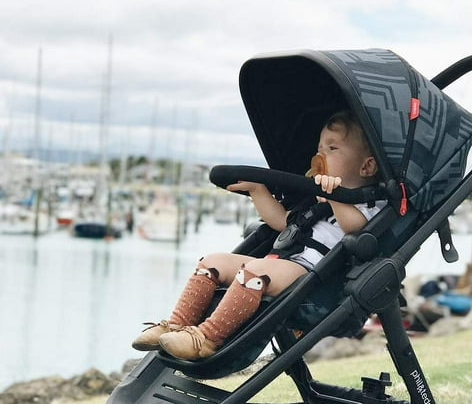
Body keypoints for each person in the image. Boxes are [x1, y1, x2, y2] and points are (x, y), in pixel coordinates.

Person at [131, 110, 384, 360]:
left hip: (314, 278)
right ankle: (177, 324)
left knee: (256, 272)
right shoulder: (316, 199)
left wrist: (335, 197)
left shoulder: (371, 204)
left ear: (367, 166)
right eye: (319, 148)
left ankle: (207, 339)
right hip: (285, 263)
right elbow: (283, 222)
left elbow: (355, 227)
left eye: (332, 148)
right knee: (212, 262)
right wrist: (257, 189)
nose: (320, 155)